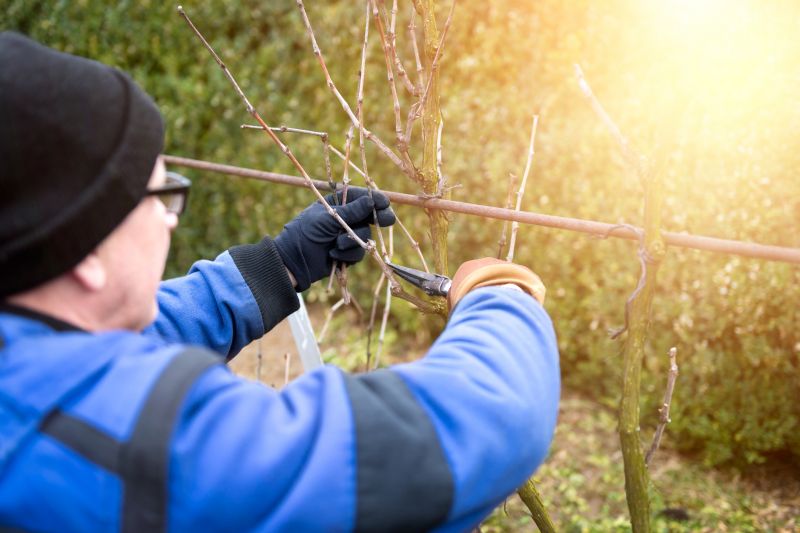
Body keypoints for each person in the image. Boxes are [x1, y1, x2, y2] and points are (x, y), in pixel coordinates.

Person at [0, 32, 560, 532]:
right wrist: (503, 299)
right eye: (162, 194)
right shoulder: (126, 444)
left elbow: (136, 329)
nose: (172, 217)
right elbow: (451, 441)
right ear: (86, 254)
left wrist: (280, 265)